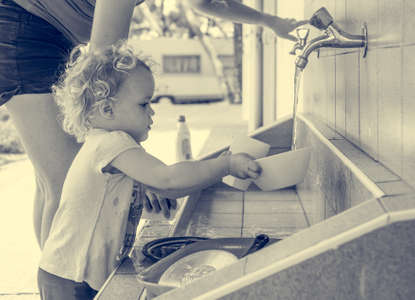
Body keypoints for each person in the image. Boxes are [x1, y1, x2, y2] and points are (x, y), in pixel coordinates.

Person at [0, 0, 306, 249]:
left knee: (50, 181)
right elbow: (105, 72)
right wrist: (140, 168)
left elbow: (211, 4)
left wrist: (271, 21)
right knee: (62, 180)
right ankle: (62, 281)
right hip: (22, 31)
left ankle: (56, 279)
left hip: (43, 32)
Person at [37, 41, 262, 299]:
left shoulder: (109, 145)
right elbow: (168, 178)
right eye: (144, 105)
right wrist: (226, 164)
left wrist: (207, 175)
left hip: (70, 274)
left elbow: (170, 188)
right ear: (107, 110)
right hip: (69, 277)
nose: (152, 112)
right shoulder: (112, 142)